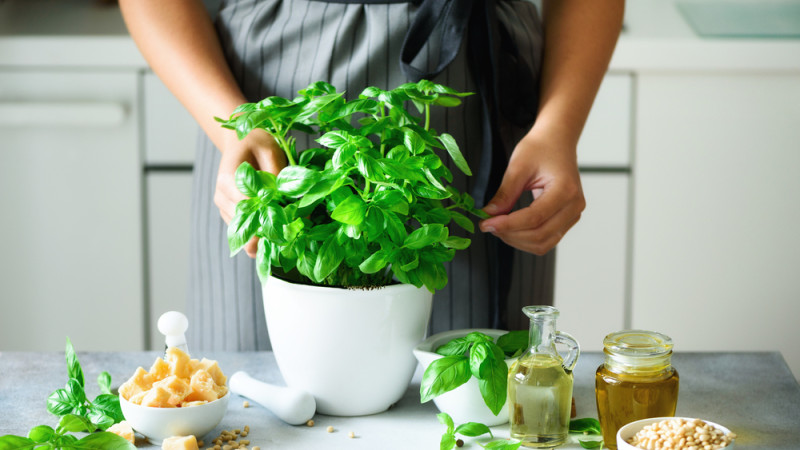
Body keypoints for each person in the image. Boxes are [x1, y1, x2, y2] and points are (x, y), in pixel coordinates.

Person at [120, 0, 624, 351]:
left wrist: (559, 127)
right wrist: (230, 124)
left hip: (480, 95)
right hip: (266, 103)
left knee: (483, 404)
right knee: (256, 407)